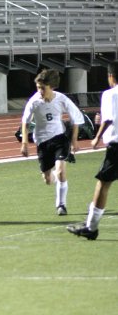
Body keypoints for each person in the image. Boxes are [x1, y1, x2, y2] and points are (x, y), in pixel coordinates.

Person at [20, 68, 84, 215]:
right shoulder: (34, 102)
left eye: (43, 88)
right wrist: (24, 143)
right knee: (48, 179)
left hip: (60, 139)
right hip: (42, 142)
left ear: (51, 87)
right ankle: (54, 174)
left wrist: (74, 140)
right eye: (38, 88)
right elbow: (25, 122)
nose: (40, 91)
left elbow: (77, 118)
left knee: (61, 172)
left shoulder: (61, 99)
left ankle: (61, 205)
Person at [67, 62, 118, 240]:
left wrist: (97, 136)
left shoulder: (110, 94)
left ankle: (91, 227)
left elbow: (110, 119)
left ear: (111, 76)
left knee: (103, 184)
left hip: (116, 148)